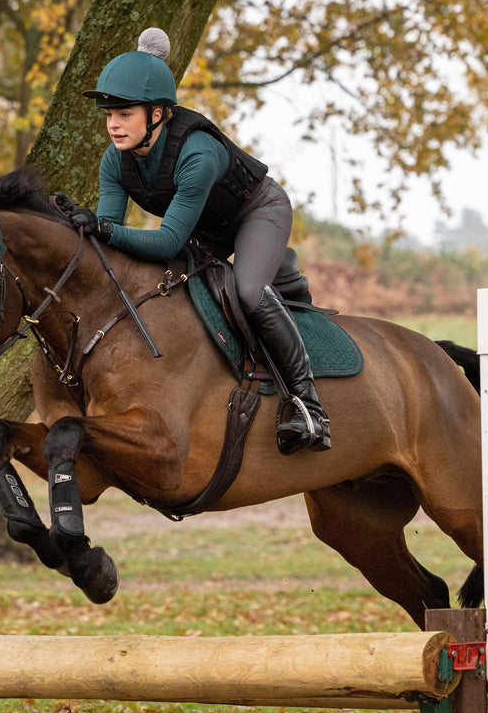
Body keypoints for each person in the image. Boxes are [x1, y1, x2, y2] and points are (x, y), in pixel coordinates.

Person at [70, 28, 330, 455]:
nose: (113, 125)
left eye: (125, 113)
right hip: (206, 229)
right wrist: (80, 229)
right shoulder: (114, 161)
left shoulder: (197, 153)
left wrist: (105, 229)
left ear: (157, 114)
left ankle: (308, 405)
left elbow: (168, 242)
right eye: (108, 115)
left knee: (247, 291)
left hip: (256, 212)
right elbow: (110, 241)